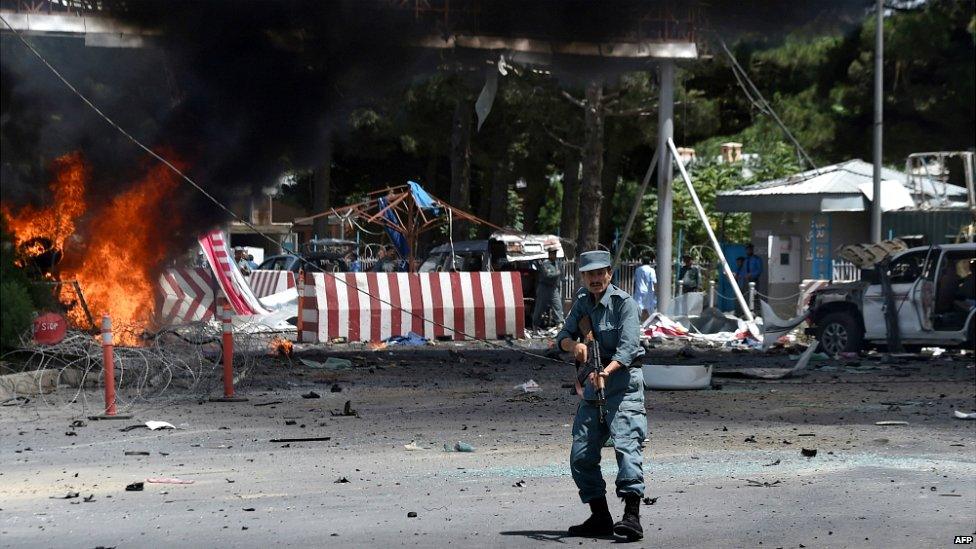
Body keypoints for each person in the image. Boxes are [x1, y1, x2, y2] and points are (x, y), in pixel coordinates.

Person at [555, 250, 646, 542]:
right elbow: (561, 337)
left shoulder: (625, 304)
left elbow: (629, 348)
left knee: (627, 446)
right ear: (582, 276)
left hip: (624, 383)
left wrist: (607, 370)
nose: (595, 279)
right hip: (594, 383)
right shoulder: (581, 302)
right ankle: (600, 516)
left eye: (600, 273)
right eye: (589, 274)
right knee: (581, 453)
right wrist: (575, 347)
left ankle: (632, 517)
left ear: (609, 273)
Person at [532, 248, 564, 329]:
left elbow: (561, 273)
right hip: (544, 288)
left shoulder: (557, 263)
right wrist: (558, 273)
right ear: (549, 254)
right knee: (540, 307)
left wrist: (560, 275)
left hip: (553, 288)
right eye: (553, 253)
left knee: (558, 305)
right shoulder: (545, 264)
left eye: (555, 253)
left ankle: (559, 323)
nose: (554, 255)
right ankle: (535, 324)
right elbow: (548, 275)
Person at [632, 254, 656, 320]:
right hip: (649, 292)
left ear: (642, 262)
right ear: (649, 262)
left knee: (639, 307)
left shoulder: (638, 270)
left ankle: (639, 321)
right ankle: (648, 322)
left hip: (639, 291)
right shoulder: (651, 270)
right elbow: (654, 281)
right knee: (649, 308)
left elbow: (635, 281)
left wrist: (634, 290)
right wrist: (656, 292)